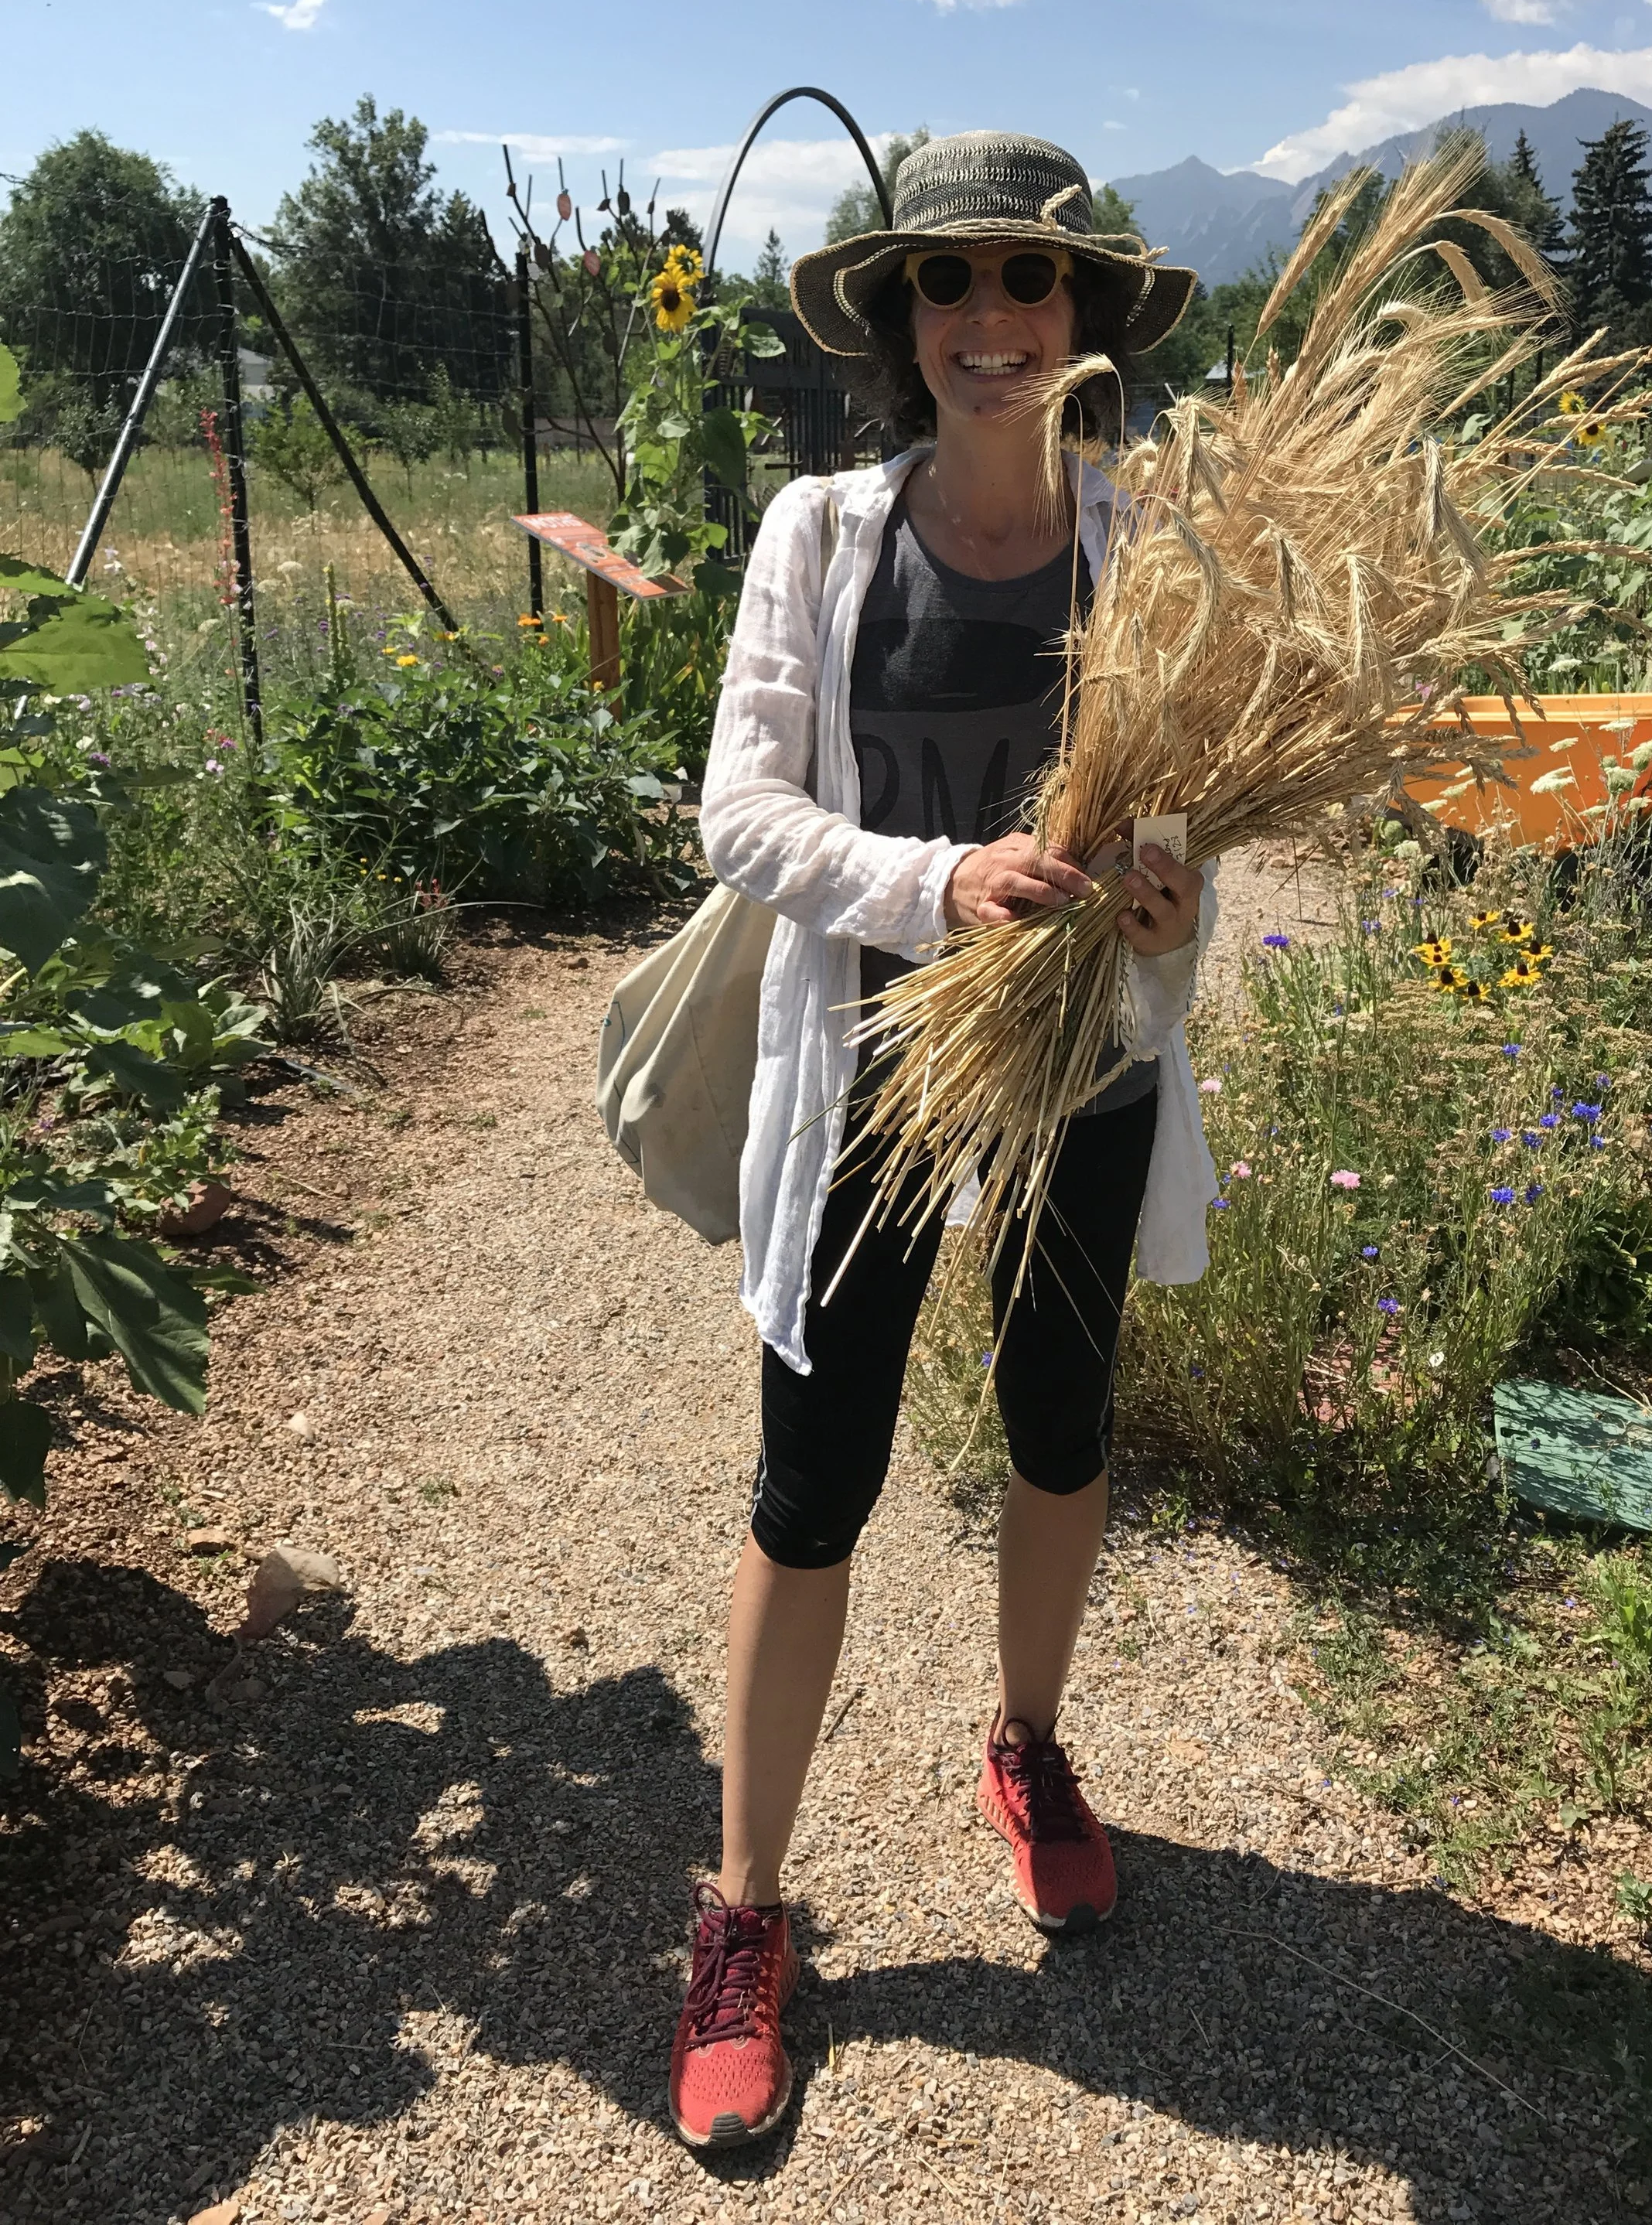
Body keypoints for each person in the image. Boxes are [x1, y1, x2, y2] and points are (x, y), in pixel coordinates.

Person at [671, 133, 1219, 2149]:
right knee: (810, 1475)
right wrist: (936, 874)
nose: (989, 319)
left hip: (1085, 1064)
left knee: (1058, 1416)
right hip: (873, 1075)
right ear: (902, 325)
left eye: (1028, 281)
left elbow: (1178, 826)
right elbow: (736, 812)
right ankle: (742, 1911)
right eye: (947, 284)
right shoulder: (821, 536)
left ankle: (1030, 1742)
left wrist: (1166, 901)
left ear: (1083, 319)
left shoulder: (1145, 544)